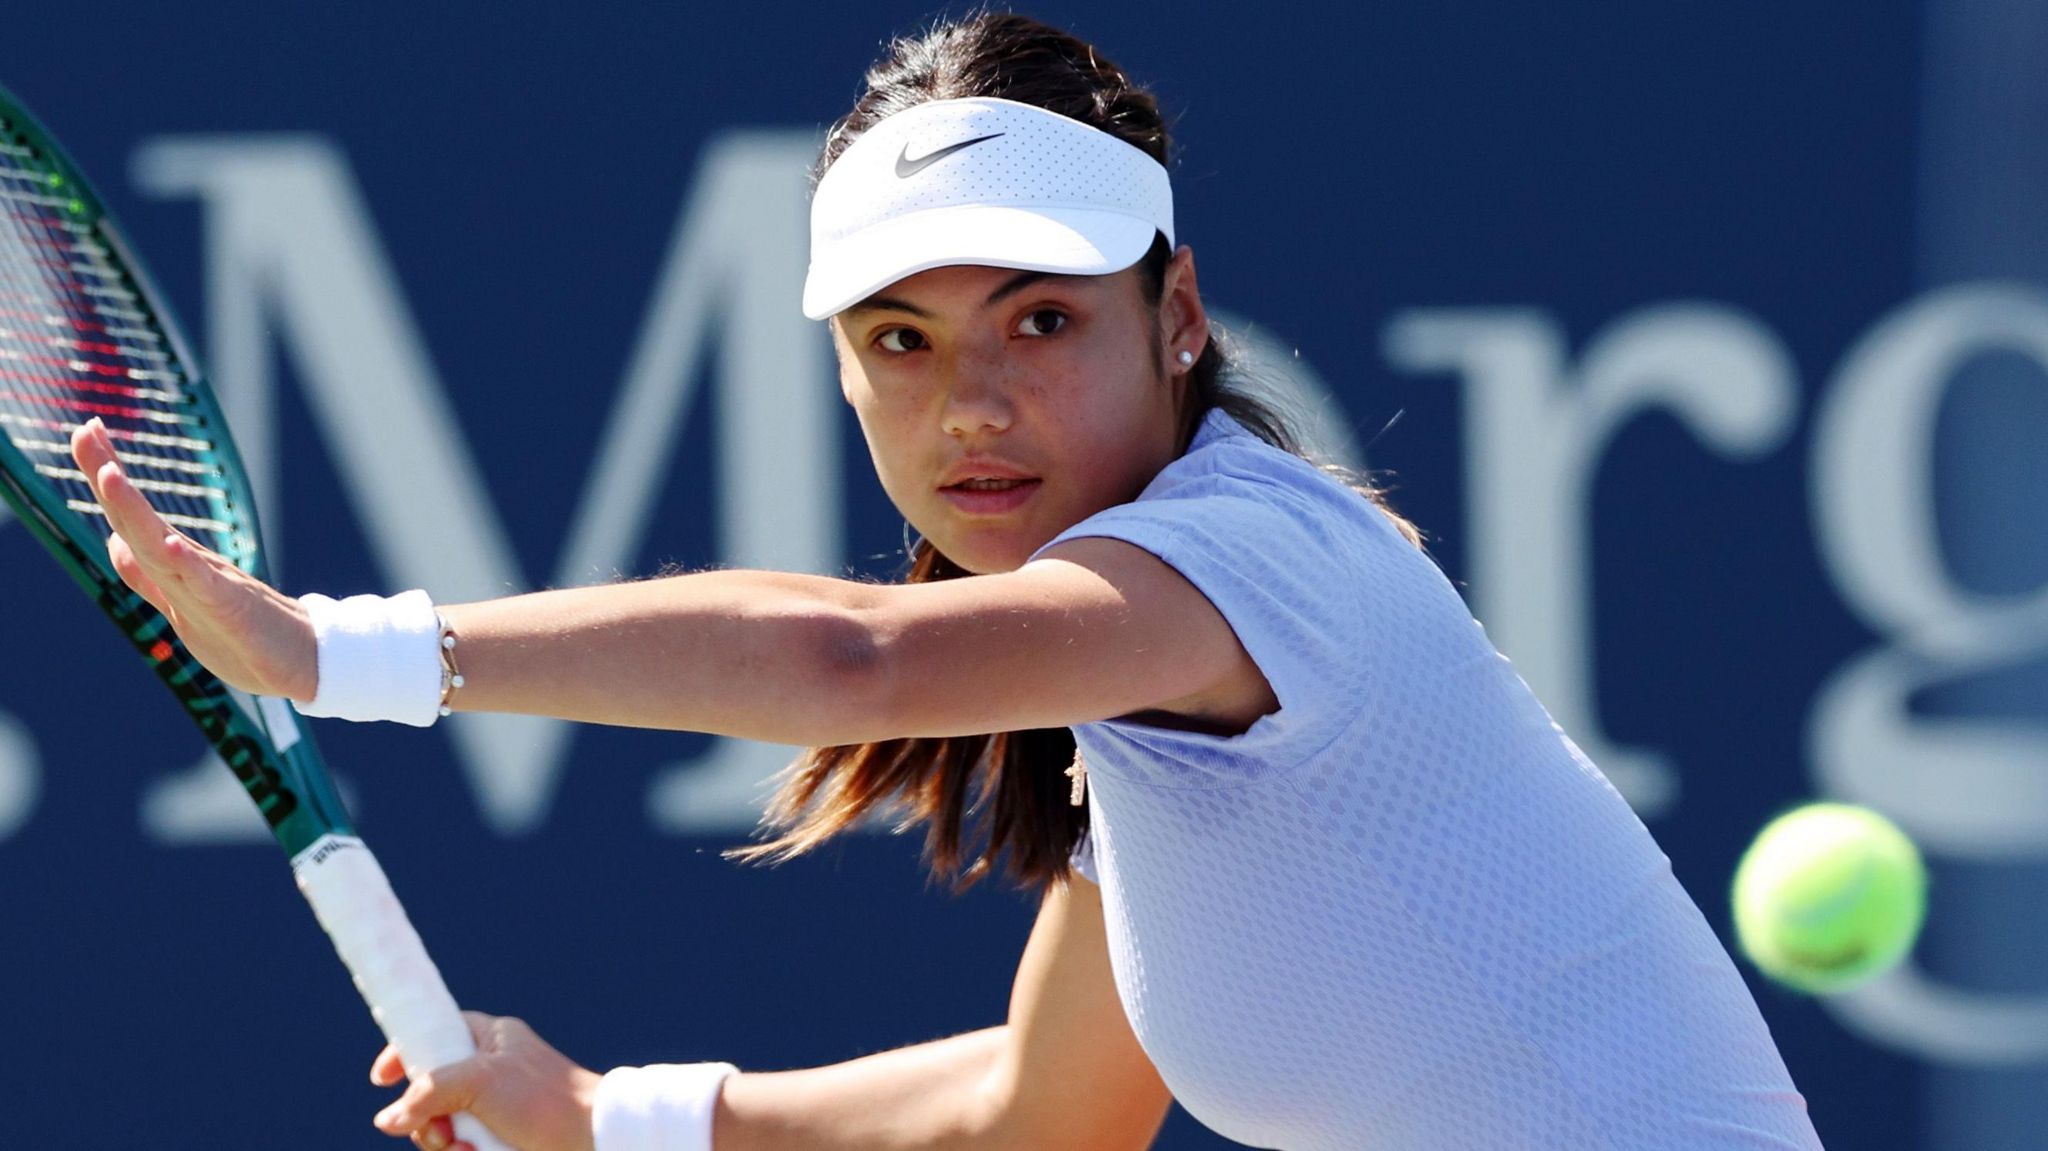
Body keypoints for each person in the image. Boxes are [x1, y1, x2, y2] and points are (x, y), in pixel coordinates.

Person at [70, 13, 1825, 1151]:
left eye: (1040, 321)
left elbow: (855, 663)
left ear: (1181, 314)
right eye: (899, 342)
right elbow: (1030, 1111)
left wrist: (339, 650)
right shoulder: (1137, 695)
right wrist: (612, 1118)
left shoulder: (1267, 562)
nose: (970, 403)